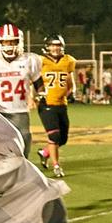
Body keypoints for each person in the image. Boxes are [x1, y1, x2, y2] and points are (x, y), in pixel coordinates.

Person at [0, 24, 43, 159]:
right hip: (0, 111)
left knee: (24, 140)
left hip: (20, 110)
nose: (9, 45)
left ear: (19, 42)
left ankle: (22, 167)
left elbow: (38, 82)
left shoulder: (29, 60)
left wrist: (41, 95)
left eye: (13, 41)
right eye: (5, 42)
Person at [35, 34, 76, 178]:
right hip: (46, 103)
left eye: (58, 45)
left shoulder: (68, 60)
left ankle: (45, 152)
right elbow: (33, 79)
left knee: (63, 138)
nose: (55, 48)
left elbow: (70, 80)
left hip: (61, 103)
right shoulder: (41, 61)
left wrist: (72, 91)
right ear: (47, 47)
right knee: (54, 135)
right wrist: (33, 96)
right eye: (53, 45)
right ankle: (56, 166)